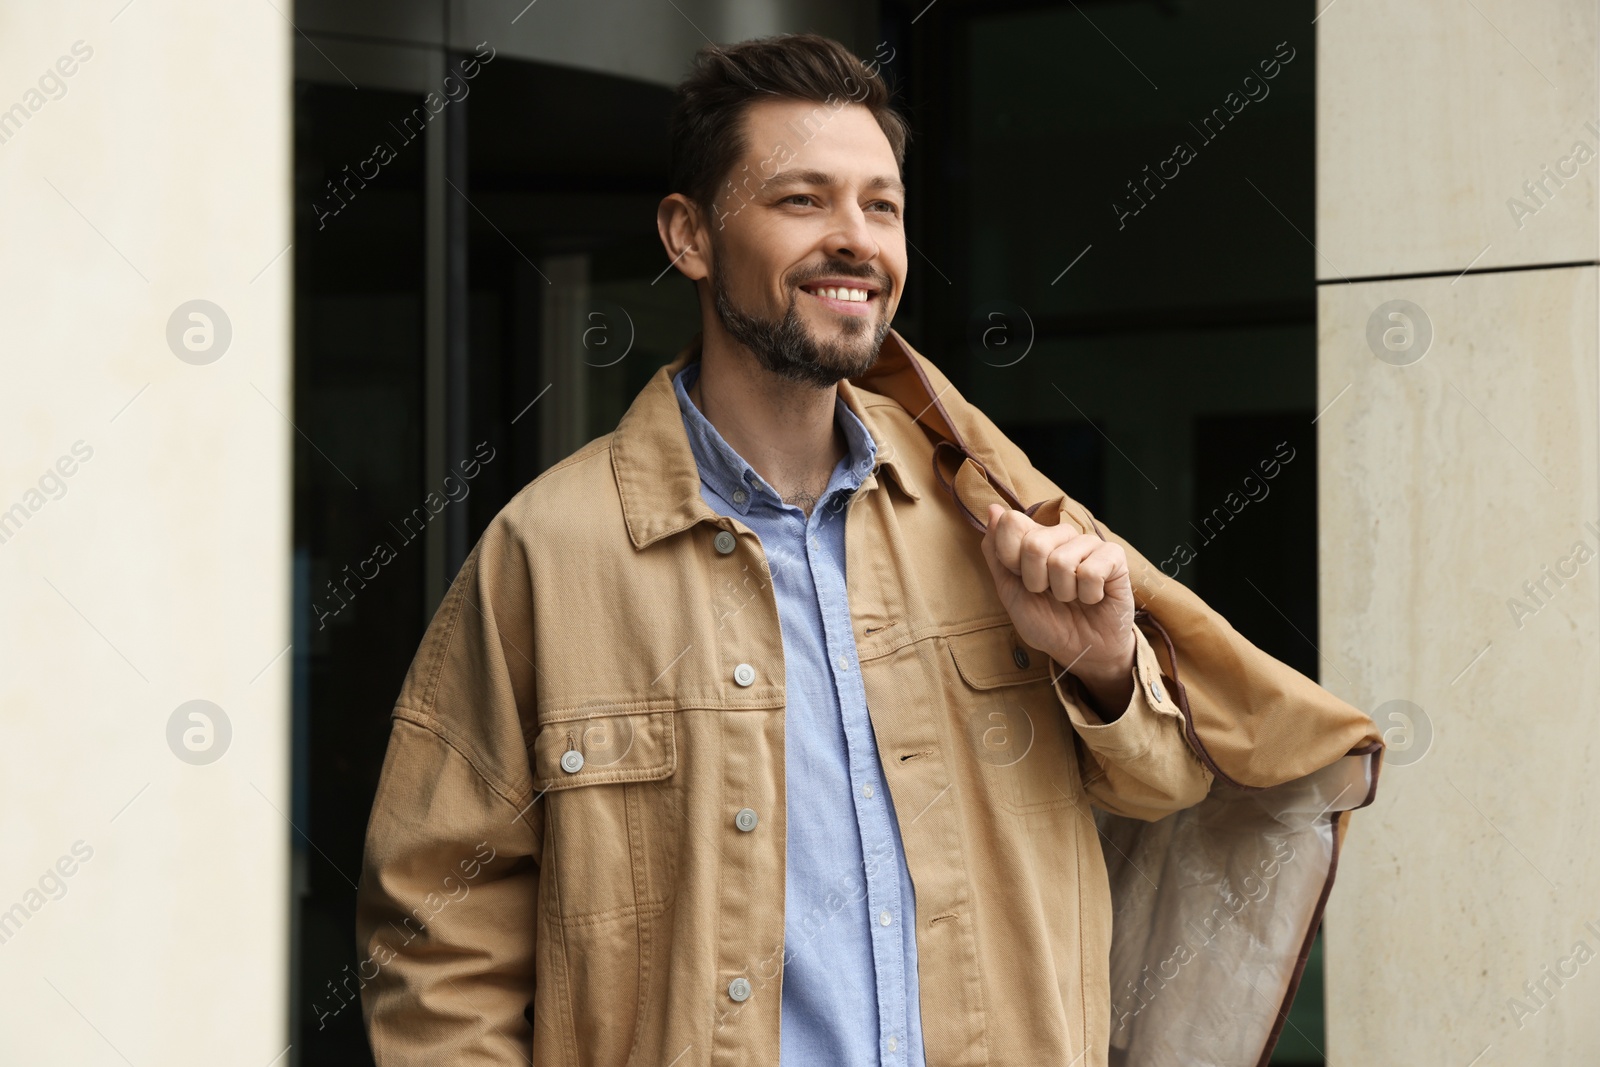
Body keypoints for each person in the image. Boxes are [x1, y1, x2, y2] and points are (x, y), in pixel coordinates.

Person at [355, 32, 1376, 1067]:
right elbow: (438, 936)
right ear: (689, 235)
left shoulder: (991, 512)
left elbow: (1165, 791)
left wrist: (1104, 666)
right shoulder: (547, 552)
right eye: (802, 200)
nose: (856, 240)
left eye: (880, 206)